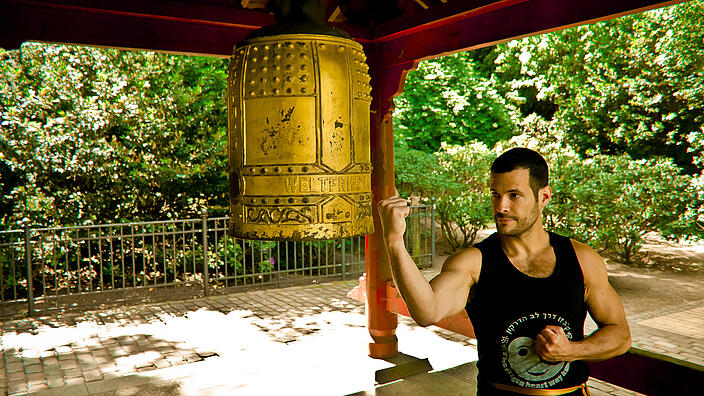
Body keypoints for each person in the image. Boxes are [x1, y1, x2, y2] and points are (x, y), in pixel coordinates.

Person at [378, 147, 631, 396]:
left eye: (514, 195)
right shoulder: (473, 263)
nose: (501, 207)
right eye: (495, 194)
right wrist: (394, 242)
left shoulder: (582, 259)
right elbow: (426, 311)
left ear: (544, 197)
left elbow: (620, 335)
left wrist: (570, 351)